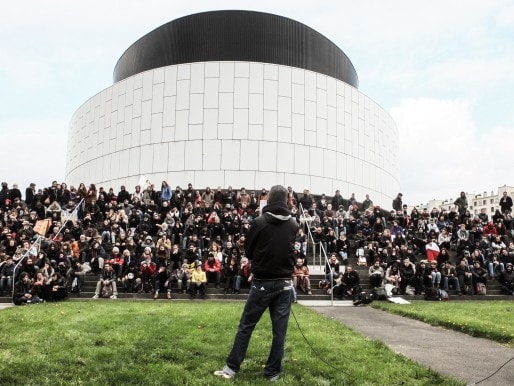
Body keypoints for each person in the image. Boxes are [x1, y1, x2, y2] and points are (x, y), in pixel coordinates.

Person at [214, 185, 298, 381]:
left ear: (268, 200)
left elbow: (249, 252)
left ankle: (231, 369)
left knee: (246, 326)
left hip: (262, 283)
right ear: (286, 201)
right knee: (280, 333)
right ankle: (272, 373)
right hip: (284, 283)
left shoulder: (259, 222)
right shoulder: (294, 224)